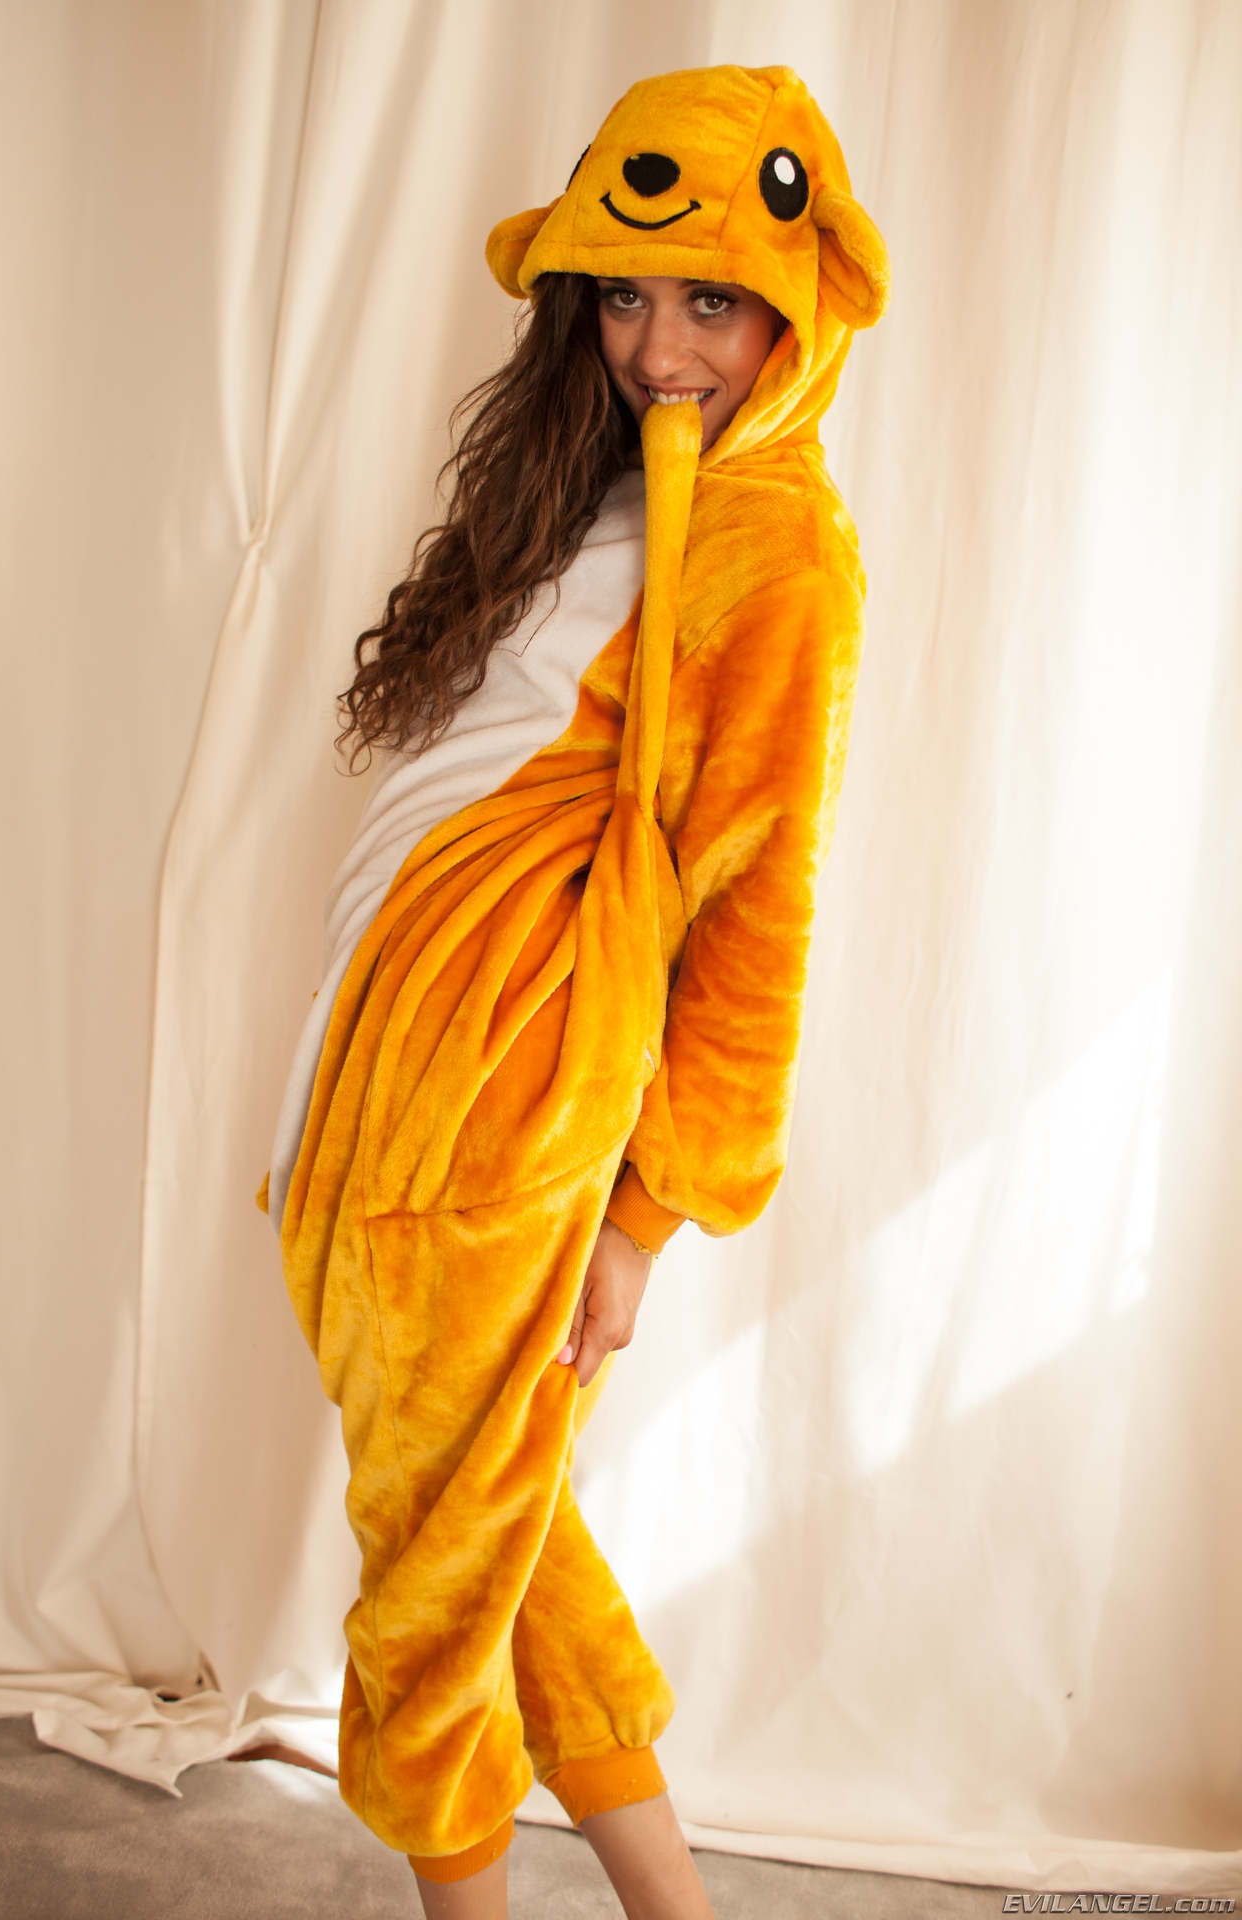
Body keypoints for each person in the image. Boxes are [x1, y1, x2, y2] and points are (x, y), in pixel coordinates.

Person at [265, 62, 887, 1920]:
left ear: (799, 305)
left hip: (512, 1108)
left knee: (436, 1566)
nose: (660, 349)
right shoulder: (599, 484)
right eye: (624, 294)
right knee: (499, 1529)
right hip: (395, 1063)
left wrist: (643, 1217)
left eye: (712, 301)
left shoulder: (781, 550)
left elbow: (757, 915)